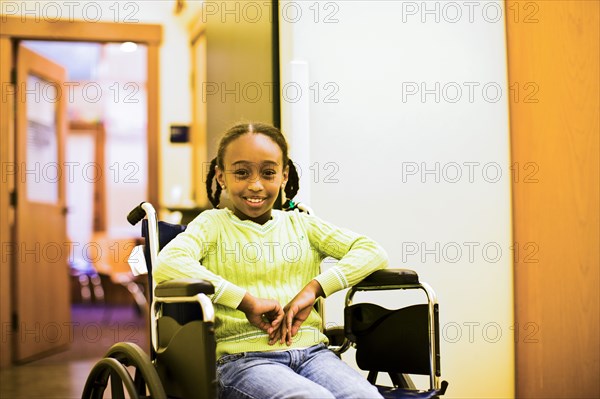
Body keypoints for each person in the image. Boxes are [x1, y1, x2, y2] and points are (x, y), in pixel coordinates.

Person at [155, 122, 388, 399]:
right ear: (221, 176)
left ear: (284, 176)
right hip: (242, 359)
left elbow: (371, 251)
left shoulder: (302, 225)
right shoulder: (211, 225)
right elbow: (168, 263)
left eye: (268, 173)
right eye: (241, 173)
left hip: (314, 354)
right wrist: (245, 301)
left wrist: (315, 287)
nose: (255, 185)